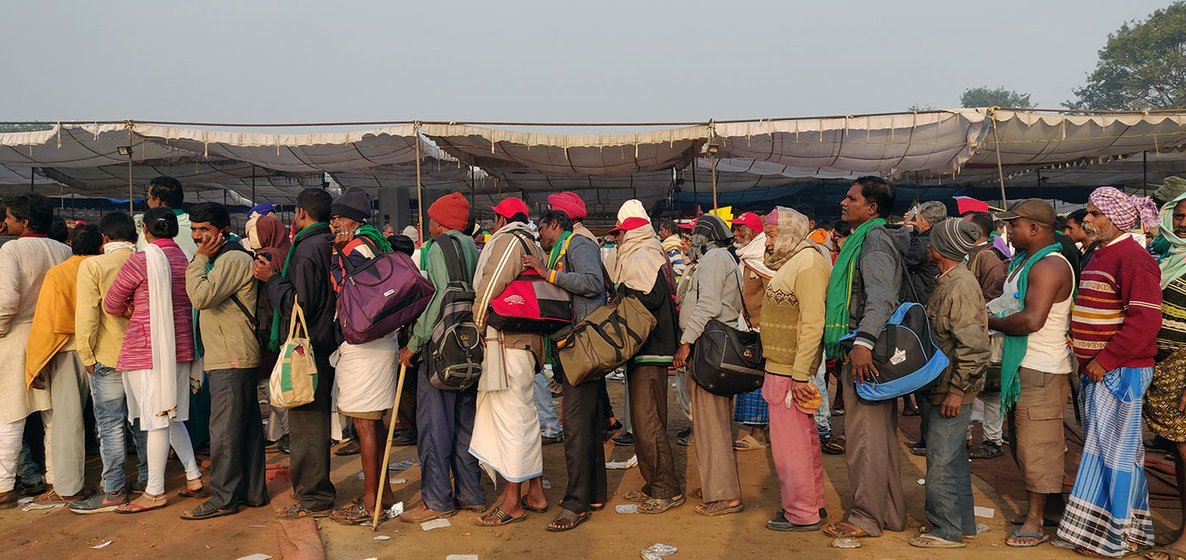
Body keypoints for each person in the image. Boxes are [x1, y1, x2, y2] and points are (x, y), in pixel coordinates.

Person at [1058, 187, 1161, 557]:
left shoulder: (1134, 258)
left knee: (1113, 455)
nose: (1087, 219)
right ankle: (1123, 531)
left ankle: (1112, 536)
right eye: (1088, 212)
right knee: (1111, 452)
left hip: (1119, 371)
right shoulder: (1100, 253)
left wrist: (1107, 359)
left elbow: (1145, 319)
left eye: (1095, 214)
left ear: (1115, 219)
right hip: (1100, 370)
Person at [984, 199, 1077, 547]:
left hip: (1042, 367)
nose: (1009, 230)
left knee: (1038, 444)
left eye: (1015, 224)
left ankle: (1036, 519)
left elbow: (1030, 321)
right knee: (1022, 441)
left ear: (1035, 229)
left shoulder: (1050, 266)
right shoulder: (1025, 262)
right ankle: (1051, 508)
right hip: (1024, 365)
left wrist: (987, 321)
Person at [823, 177, 907, 539]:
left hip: (865, 352)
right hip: (866, 349)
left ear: (871, 208)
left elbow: (881, 298)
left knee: (864, 438)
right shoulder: (869, 239)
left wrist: (864, 343)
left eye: (851, 198)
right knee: (877, 436)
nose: (844, 202)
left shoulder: (872, 242)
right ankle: (888, 513)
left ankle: (865, 517)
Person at [103, 207, 203, 513]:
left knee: (157, 418)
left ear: (145, 230)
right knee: (171, 415)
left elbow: (111, 302)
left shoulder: (141, 259)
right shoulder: (186, 258)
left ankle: (156, 491)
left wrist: (133, 309)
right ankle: (194, 475)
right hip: (181, 347)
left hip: (148, 350)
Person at [252, 188, 338, 519]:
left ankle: (314, 496)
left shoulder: (306, 250)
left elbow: (300, 304)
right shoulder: (325, 242)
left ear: (301, 213)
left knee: (307, 426)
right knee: (310, 422)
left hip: (308, 346)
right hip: (323, 343)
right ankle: (313, 489)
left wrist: (271, 279)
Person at [399, 193, 485, 523]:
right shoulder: (471, 247)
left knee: (435, 426)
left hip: (439, 348)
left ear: (441, 223)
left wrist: (415, 343)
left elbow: (438, 299)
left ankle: (436, 499)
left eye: (432, 220)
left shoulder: (438, 248)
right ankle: (471, 494)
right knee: (465, 424)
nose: (429, 225)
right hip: (468, 345)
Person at [319, 187, 402, 524]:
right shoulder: (376, 243)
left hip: (364, 346)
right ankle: (385, 494)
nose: (333, 223)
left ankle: (370, 501)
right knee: (375, 423)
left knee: (365, 424)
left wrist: (338, 256)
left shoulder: (355, 248)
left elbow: (351, 292)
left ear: (351, 220)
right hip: (383, 341)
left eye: (337, 218)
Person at [521, 208, 607, 531]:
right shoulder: (564, 248)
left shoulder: (577, 245)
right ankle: (593, 495)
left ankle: (575, 504)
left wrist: (549, 274)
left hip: (581, 347)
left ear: (555, 225)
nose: (539, 237)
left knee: (573, 427)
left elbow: (592, 282)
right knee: (587, 423)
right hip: (575, 348)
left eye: (541, 230)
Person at [180, 202, 267, 520]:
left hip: (231, 357)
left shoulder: (229, 259)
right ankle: (252, 492)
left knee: (225, 431)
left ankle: (224, 498)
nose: (198, 237)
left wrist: (198, 261)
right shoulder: (225, 258)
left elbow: (200, 297)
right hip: (231, 354)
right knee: (243, 428)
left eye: (205, 230)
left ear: (223, 232)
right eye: (194, 230)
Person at [908, 219, 990, 549]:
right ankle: (963, 524)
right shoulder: (949, 281)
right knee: (953, 460)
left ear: (941, 250)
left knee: (940, 461)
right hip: (944, 386)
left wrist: (957, 391)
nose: (927, 246)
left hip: (951, 389)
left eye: (932, 242)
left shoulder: (961, 287)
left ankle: (946, 530)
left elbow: (974, 346)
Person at [470, 197, 549, 526]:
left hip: (506, 342)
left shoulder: (507, 240)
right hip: (528, 344)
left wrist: (476, 324)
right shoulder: (533, 243)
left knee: (512, 419)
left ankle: (513, 500)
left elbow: (490, 286)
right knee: (524, 414)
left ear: (501, 219)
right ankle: (535, 491)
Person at [69, 213, 152, 513]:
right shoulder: (147, 260)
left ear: (104, 238)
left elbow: (88, 316)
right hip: (143, 355)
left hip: (108, 356)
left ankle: (114, 489)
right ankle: (146, 479)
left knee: (110, 426)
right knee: (141, 421)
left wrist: (86, 354)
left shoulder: (93, 265)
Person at [759, 207, 830, 532]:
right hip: (786, 369)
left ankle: (801, 512)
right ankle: (811, 505)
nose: (768, 241)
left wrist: (800, 374)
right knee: (803, 440)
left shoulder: (808, 264)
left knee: (792, 446)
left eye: (772, 234)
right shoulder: (797, 260)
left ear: (788, 232)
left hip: (790, 372)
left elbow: (813, 322)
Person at [0, 194, 73, 509]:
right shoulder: (66, 250)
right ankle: (57, 480)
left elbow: (6, 302)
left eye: (10, 218)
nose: (7, 223)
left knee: (11, 415)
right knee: (54, 415)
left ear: (24, 222)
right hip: (58, 337)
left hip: (19, 335)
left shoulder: (12, 249)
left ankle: (3, 488)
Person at [611, 200, 682, 514]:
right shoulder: (650, 251)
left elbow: (649, 298)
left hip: (650, 349)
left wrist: (624, 292)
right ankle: (653, 482)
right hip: (646, 349)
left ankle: (666, 490)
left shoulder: (643, 254)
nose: (618, 239)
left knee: (649, 420)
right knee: (642, 421)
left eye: (621, 232)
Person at [23, 223, 101, 504]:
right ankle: (115, 483)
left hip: (67, 351)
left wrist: (39, 360)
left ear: (71, 243)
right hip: (105, 348)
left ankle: (70, 488)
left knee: (68, 422)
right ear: (101, 243)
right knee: (114, 420)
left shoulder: (59, 273)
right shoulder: (105, 267)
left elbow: (46, 321)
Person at [674, 214, 746, 517]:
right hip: (712, 346)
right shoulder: (717, 258)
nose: (690, 241)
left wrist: (687, 340)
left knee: (711, 423)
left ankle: (725, 495)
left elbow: (709, 305)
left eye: (694, 235)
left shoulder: (715, 258)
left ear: (706, 237)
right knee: (708, 423)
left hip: (708, 346)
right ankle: (714, 484)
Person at [1145, 193, 1186, 560]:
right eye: (1181, 215)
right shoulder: (1168, 257)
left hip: (1183, 368)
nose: (1184, 223)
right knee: (1179, 454)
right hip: (1166, 365)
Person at [961, 211, 1009, 461]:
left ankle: (993, 440)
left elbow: (995, 295)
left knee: (990, 390)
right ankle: (966, 435)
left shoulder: (987, 256)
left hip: (987, 332)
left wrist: (977, 313)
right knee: (968, 384)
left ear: (976, 231)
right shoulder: (972, 254)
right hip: (973, 330)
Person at [730, 211, 775, 451]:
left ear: (754, 232)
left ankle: (758, 433)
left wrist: (761, 324)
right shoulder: (747, 255)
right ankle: (757, 430)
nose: (736, 233)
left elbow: (771, 293)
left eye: (740, 229)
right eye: (735, 228)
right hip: (749, 327)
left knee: (757, 381)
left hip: (760, 330)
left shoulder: (760, 257)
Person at [136, 176, 196, 259]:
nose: (148, 202)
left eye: (149, 198)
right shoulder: (196, 225)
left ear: (157, 201)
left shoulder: (150, 229)